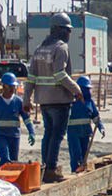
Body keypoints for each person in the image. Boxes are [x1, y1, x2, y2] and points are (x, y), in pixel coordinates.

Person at [25, 11, 83, 183]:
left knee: (48, 134)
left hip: (44, 101)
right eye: (67, 30)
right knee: (56, 135)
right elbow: (60, 74)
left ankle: (46, 167)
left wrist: (26, 99)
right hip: (59, 100)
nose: (69, 34)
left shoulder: (39, 50)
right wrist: (77, 90)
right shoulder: (61, 48)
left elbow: (31, 78)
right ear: (60, 30)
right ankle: (51, 169)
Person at [0, 72, 35, 165]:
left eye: (13, 86)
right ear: (3, 86)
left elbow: (27, 119)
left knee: (14, 160)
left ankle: (12, 179)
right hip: (1, 135)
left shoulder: (18, 102)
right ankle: (2, 178)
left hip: (14, 136)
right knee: (5, 158)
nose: (11, 89)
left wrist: (32, 132)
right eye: (9, 86)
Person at [66, 76, 106, 173]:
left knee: (84, 155)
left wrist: (101, 127)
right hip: (73, 133)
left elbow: (95, 117)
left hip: (86, 133)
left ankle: (82, 172)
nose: (87, 91)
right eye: (85, 89)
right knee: (76, 154)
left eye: (88, 89)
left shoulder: (90, 102)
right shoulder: (71, 101)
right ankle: (74, 172)